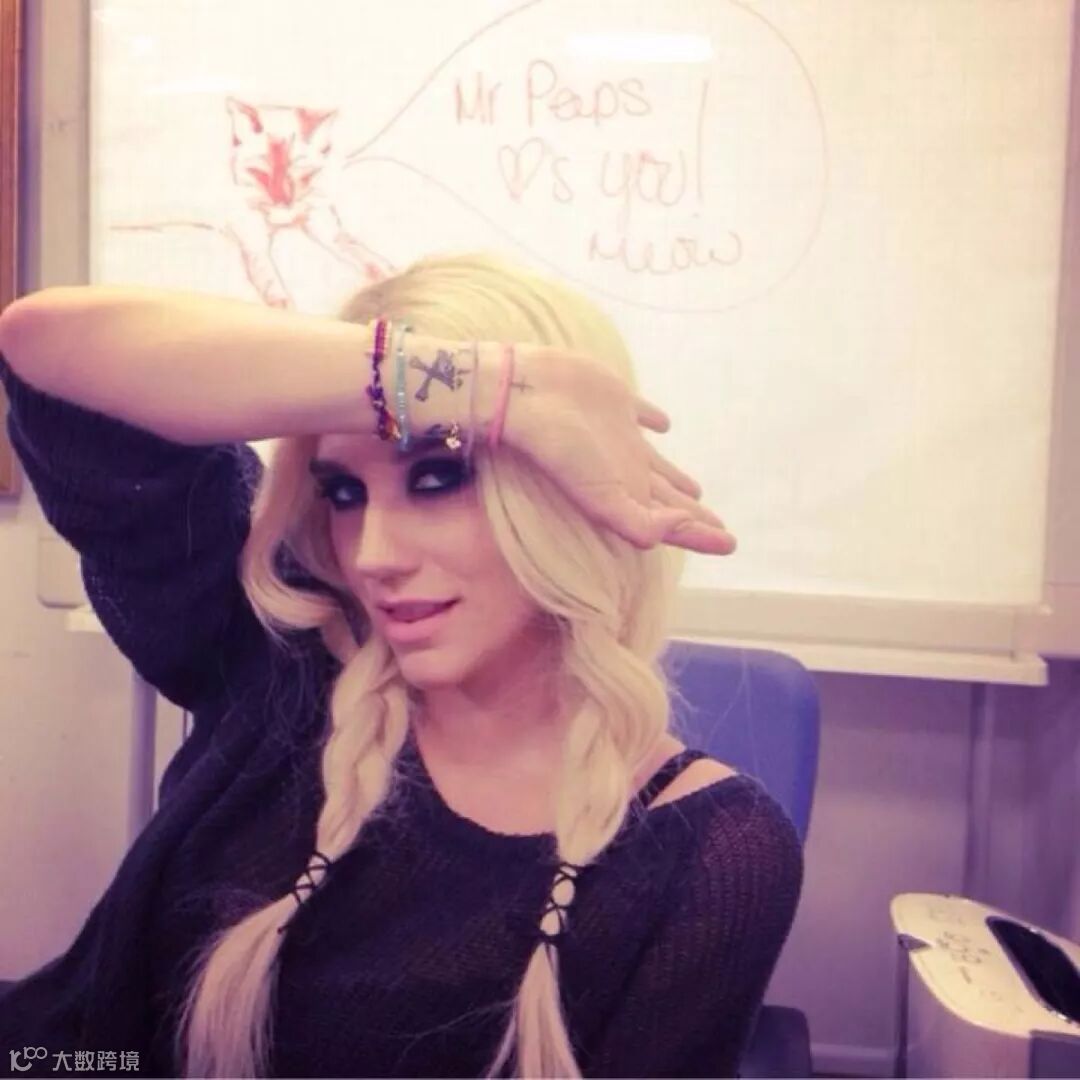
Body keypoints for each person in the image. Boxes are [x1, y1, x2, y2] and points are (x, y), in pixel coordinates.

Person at [0, 251, 802, 1078]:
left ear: (567, 487)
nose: (373, 556)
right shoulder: (277, 650)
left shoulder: (709, 854)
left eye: (439, 475)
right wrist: (490, 390)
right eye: (344, 494)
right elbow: (44, 350)